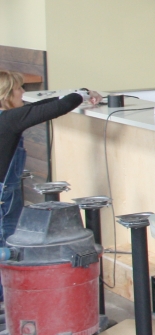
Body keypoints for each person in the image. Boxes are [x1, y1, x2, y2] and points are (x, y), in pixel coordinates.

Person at [0, 73, 102, 248]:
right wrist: (82, 95)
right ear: (6, 94)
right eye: (18, 88)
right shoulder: (10, 119)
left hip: (6, 190)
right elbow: (59, 107)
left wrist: (81, 93)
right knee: (7, 240)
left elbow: (37, 107)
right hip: (4, 194)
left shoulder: (7, 117)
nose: (23, 92)